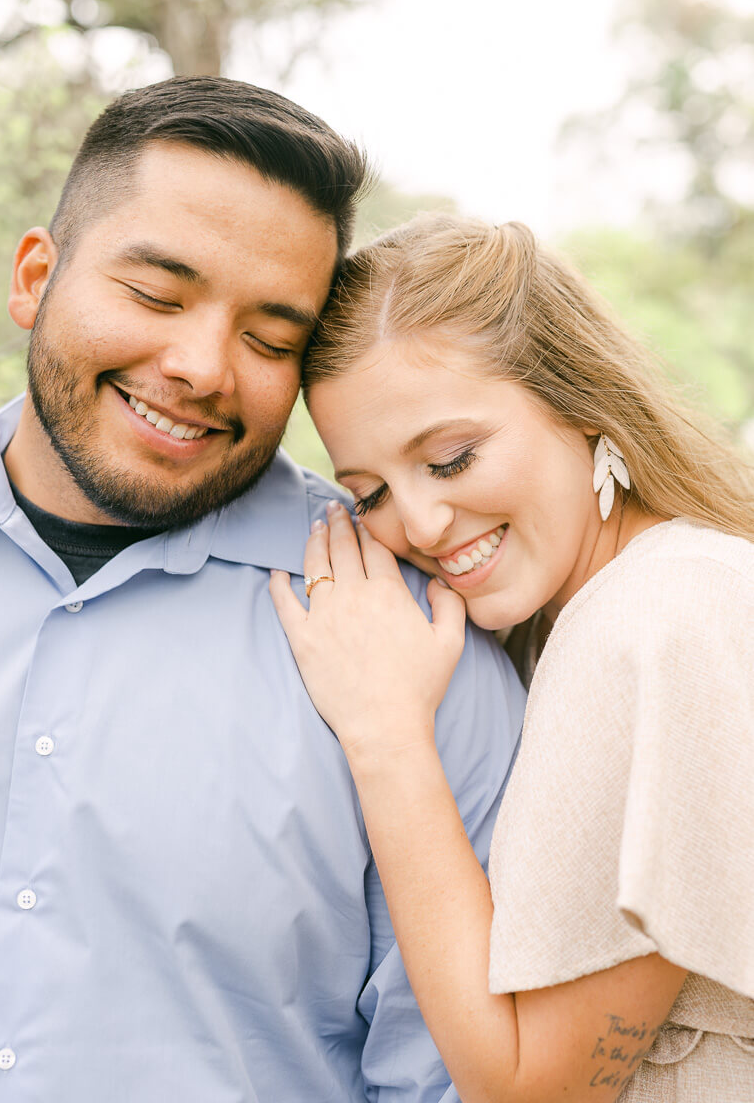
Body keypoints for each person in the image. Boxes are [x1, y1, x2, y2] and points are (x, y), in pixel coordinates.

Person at [0, 82, 526, 1101]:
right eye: (158, 295)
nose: (201, 367)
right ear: (36, 278)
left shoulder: (415, 643)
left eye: (269, 340)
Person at [270, 213, 754, 1103]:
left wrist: (385, 730)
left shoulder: (651, 625)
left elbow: (531, 1091)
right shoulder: (660, 596)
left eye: (452, 459)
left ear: (580, 399)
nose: (417, 525)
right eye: (369, 493)